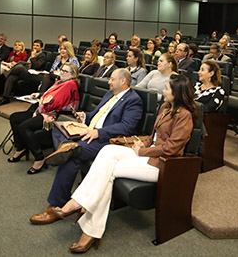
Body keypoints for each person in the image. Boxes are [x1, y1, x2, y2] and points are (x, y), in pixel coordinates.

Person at [52, 74, 197, 253]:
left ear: (177, 92)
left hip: (163, 164)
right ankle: (81, 209)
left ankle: (84, 219)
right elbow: (155, 137)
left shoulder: (185, 116)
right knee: (107, 151)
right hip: (148, 153)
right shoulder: (166, 107)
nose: (163, 90)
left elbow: (172, 149)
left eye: (167, 88)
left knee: (108, 172)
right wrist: (143, 143)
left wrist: (142, 151)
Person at [29, 69, 143, 225]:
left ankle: (56, 203)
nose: (108, 82)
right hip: (89, 131)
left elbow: (127, 127)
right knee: (58, 126)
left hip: (107, 140)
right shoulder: (110, 94)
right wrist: (85, 116)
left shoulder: (133, 100)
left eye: (112, 79)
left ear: (123, 81)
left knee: (71, 155)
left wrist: (99, 132)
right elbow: (96, 114)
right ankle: (65, 148)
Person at [8, 62, 80, 174]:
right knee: (14, 118)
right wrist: (40, 96)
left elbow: (54, 102)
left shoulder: (70, 84)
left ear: (73, 74)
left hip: (55, 115)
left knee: (23, 127)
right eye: (61, 70)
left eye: (65, 71)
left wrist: (41, 108)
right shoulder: (60, 82)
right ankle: (21, 147)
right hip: (45, 111)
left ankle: (39, 157)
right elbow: (49, 96)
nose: (61, 72)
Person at [0, 39, 47, 106]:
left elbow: (36, 66)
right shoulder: (31, 53)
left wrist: (33, 57)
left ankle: (4, 76)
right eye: (34, 45)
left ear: (41, 47)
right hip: (25, 70)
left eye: (37, 46)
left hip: (32, 74)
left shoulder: (43, 56)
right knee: (11, 77)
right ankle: (5, 98)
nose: (35, 47)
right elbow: (25, 62)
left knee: (19, 66)